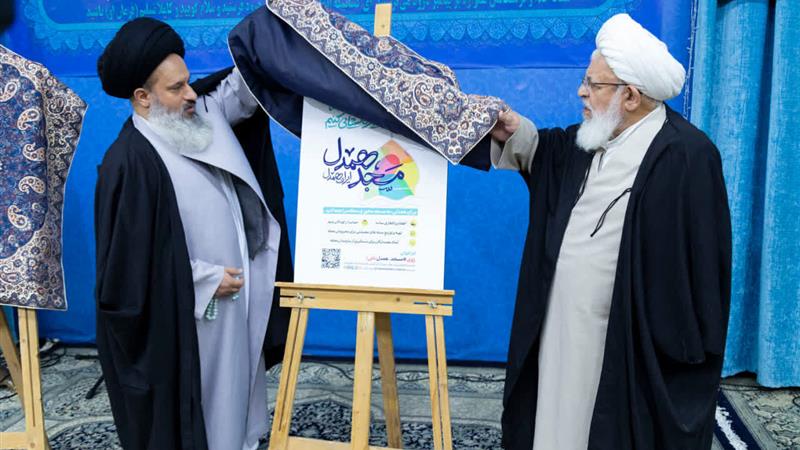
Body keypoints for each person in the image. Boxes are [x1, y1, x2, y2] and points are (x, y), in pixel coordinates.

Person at [489, 13, 732, 450]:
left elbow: (701, 267)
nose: (581, 91)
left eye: (593, 84)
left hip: (626, 347)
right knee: (555, 421)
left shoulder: (687, 156)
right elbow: (550, 155)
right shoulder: (593, 137)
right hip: (562, 330)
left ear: (631, 96)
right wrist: (515, 130)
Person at [94, 17, 292, 450]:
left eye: (188, 81)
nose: (190, 94)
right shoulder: (128, 163)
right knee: (208, 415)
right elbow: (124, 276)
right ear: (142, 97)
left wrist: (280, 24)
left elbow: (244, 89)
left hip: (235, 308)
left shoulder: (197, 116)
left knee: (238, 407)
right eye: (176, 87)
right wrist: (200, 280)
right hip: (194, 318)